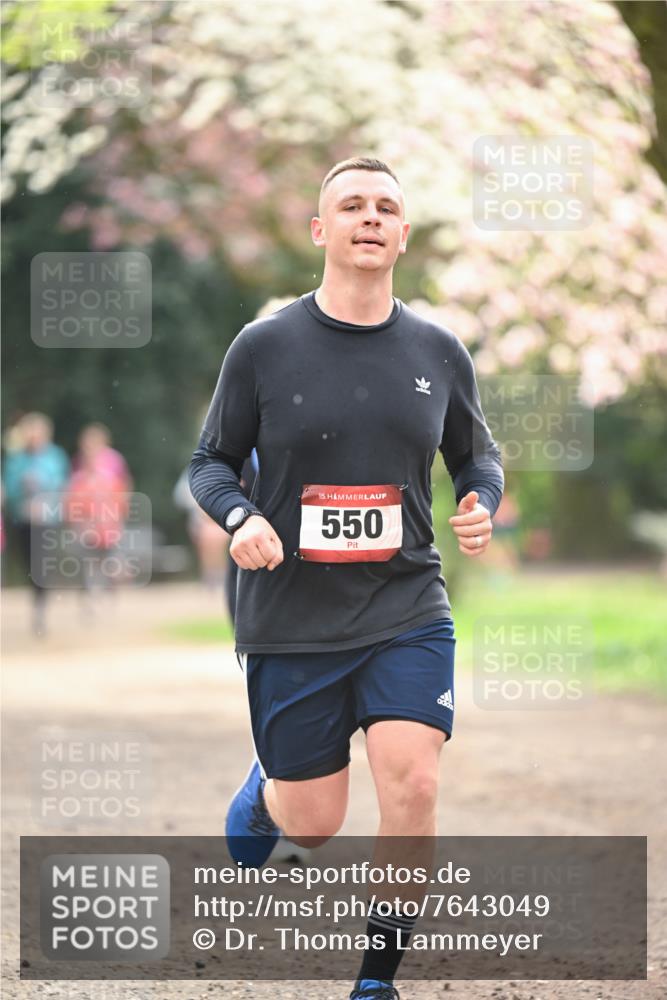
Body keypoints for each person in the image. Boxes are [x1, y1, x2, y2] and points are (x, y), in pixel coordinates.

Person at [189, 157, 504, 999]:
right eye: (352, 205)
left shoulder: (438, 351)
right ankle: (270, 793)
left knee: (414, 781)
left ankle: (375, 980)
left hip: (406, 604)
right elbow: (210, 461)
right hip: (291, 615)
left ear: (402, 235)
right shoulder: (263, 347)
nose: (370, 217)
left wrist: (479, 500)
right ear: (320, 229)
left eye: (386, 207)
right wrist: (241, 518)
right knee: (315, 822)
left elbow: (477, 456)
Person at [2, 412, 70, 635]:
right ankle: (38, 598)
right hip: (23, 519)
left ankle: (40, 607)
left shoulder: (55, 457)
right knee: (30, 564)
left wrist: (43, 487)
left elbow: (62, 485)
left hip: (47, 519)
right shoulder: (16, 460)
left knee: (42, 564)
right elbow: (10, 488)